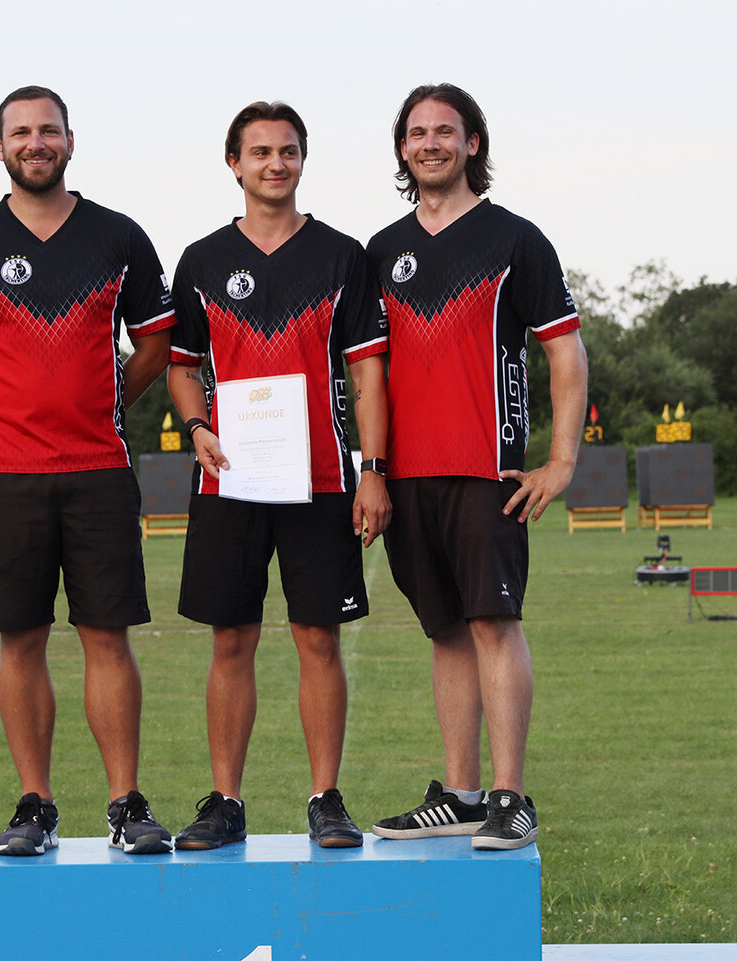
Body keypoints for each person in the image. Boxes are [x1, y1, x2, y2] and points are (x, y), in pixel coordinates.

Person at [0, 85, 174, 856]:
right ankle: (35, 803)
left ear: (70, 140)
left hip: (100, 469)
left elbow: (155, 344)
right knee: (20, 641)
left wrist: (103, 403)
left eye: (49, 130)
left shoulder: (119, 238)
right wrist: (5, 408)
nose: (37, 142)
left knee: (108, 638)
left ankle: (125, 803)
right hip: (7, 473)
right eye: (22, 132)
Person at [365, 83, 588, 850]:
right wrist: (371, 469)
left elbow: (565, 353)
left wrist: (561, 459)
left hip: (487, 471)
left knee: (494, 621)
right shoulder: (380, 252)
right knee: (445, 631)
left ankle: (510, 796)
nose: (430, 143)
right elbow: (366, 372)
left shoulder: (515, 240)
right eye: (417, 133)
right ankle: (460, 794)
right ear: (402, 149)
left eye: (445, 131)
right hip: (407, 476)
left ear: (472, 144)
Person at [166, 101, 390, 849]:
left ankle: (326, 797)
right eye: (259, 152)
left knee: (317, 637)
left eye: (287, 150)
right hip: (230, 479)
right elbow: (181, 367)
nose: (275, 163)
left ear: (302, 159)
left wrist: (372, 469)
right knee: (231, 639)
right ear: (234, 163)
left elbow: (367, 373)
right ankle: (225, 801)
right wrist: (197, 427)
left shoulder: (343, 257)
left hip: (321, 479)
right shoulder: (201, 261)